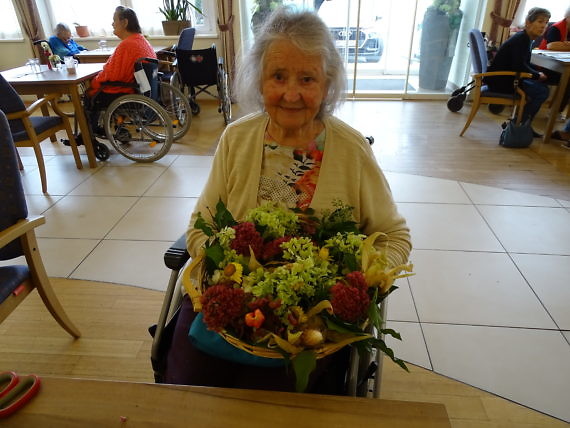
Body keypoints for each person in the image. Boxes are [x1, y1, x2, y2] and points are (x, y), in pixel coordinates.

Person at [162, 7, 411, 393]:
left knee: (278, 401)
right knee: (191, 390)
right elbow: (201, 226)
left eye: (307, 79)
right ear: (259, 80)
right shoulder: (236, 139)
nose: (291, 94)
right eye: (278, 76)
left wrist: (357, 283)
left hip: (312, 321)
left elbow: (395, 237)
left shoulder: (352, 150)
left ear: (327, 84)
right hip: (230, 302)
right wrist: (228, 275)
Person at [85, 6, 156, 132]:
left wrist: (94, 81)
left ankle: (89, 134)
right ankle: (116, 125)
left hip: (126, 91)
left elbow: (113, 75)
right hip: (142, 89)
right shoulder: (141, 40)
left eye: (114, 20)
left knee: (89, 94)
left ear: (124, 22)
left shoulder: (127, 45)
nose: (112, 24)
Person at [485, 7, 551, 137]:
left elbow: (522, 63)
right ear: (528, 22)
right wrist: (537, 75)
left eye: (546, 22)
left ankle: (518, 122)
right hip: (502, 82)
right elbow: (519, 66)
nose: (543, 26)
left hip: (503, 78)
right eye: (540, 21)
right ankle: (521, 125)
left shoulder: (525, 37)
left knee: (540, 87)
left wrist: (536, 73)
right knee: (542, 91)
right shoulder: (522, 40)